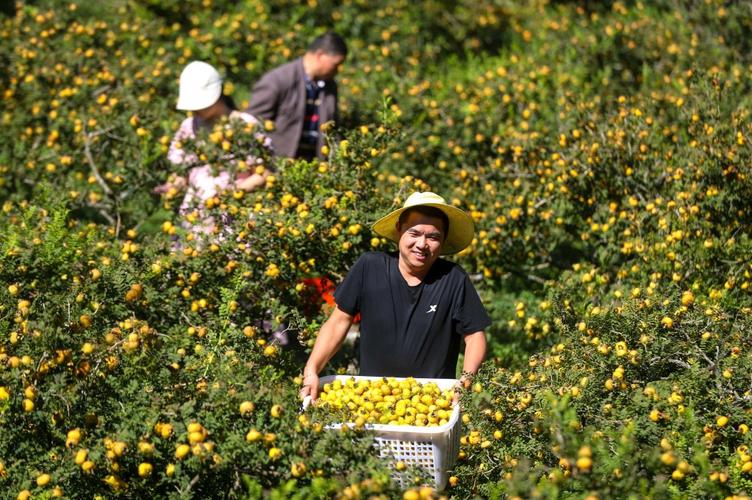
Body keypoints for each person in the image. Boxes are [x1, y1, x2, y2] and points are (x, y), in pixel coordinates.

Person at [300, 192, 490, 400]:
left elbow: (475, 337)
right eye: (414, 233)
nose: (422, 244)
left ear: (443, 241)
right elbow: (338, 322)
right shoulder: (369, 267)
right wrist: (312, 370)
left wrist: (465, 382)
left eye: (433, 237)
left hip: (433, 403)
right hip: (371, 398)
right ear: (399, 230)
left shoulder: (453, 278)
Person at [157, 61, 272, 237]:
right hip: (195, 221)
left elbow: (264, 174)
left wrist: (229, 195)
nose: (195, 109)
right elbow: (184, 174)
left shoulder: (244, 126)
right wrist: (171, 186)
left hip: (236, 220)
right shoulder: (189, 127)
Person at [245, 32, 347, 161]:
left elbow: (334, 128)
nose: (337, 70)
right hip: (277, 168)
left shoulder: (330, 87)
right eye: (335, 65)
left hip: (315, 169)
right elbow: (251, 124)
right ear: (320, 55)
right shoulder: (277, 80)